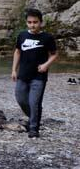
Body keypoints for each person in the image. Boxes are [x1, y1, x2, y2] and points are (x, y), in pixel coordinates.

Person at [11, 9, 58, 139]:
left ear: (41, 22)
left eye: (35, 22)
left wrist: (46, 65)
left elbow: (54, 55)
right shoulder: (22, 35)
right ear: (26, 23)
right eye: (29, 22)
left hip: (39, 77)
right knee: (20, 98)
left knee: (34, 102)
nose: (32, 25)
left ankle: (33, 128)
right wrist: (14, 70)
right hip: (23, 75)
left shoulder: (47, 38)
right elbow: (17, 52)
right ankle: (34, 116)